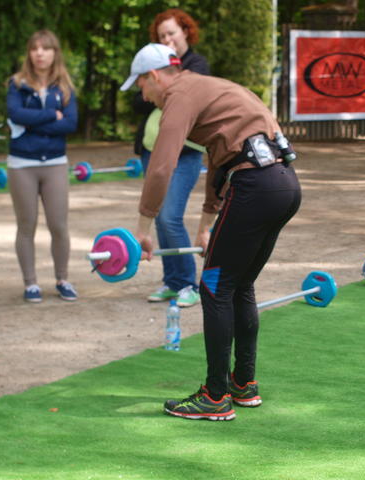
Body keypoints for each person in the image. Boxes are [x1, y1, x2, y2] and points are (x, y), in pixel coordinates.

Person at [120, 44, 302, 421]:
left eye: (141, 86)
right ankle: (244, 384)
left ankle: (215, 396)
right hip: (284, 184)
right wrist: (206, 224)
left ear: (154, 76)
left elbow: (161, 166)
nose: (144, 96)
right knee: (240, 284)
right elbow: (221, 160)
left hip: (254, 188)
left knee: (215, 288)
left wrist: (142, 228)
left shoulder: (179, 96)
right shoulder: (212, 87)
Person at [132, 9, 210, 308]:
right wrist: (153, 93)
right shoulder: (151, 67)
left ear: (185, 32)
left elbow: (185, 100)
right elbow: (138, 102)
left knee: (169, 216)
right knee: (161, 217)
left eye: (172, 33)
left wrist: (161, 92)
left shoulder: (195, 65)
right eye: (162, 35)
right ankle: (172, 281)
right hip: (150, 150)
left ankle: (189, 283)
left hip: (185, 153)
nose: (167, 39)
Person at [6, 30, 78, 303]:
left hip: (55, 163)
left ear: (54, 53)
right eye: (34, 48)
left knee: (59, 225)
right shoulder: (17, 84)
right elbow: (15, 114)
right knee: (26, 225)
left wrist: (33, 122)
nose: (39, 53)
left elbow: (70, 123)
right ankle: (31, 284)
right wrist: (50, 115)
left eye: (45, 48)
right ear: (29, 53)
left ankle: (62, 279)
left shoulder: (65, 87)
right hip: (22, 164)